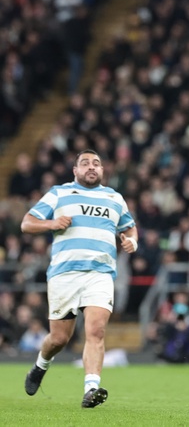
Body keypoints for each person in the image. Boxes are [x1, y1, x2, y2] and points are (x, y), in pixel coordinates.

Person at [21, 149, 138, 408]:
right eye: (85, 163)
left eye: (96, 163)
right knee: (59, 339)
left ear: (103, 170)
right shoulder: (59, 193)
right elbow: (27, 223)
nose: (91, 167)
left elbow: (130, 228)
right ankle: (40, 366)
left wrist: (133, 242)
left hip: (100, 274)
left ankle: (91, 389)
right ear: (75, 170)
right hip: (65, 274)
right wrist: (51, 224)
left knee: (96, 330)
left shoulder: (114, 198)